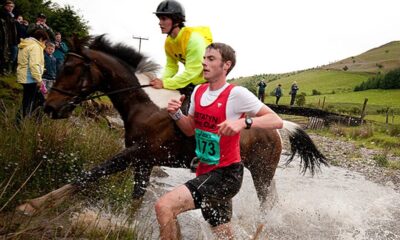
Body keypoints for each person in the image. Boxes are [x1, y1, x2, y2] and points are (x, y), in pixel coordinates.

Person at [159, 42, 283, 239]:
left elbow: (276, 121)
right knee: (223, 235)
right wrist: (176, 115)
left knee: (164, 206)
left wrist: (243, 123)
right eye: (203, 59)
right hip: (205, 169)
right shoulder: (199, 91)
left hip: (226, 175)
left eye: (210, 59)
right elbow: (190, 129)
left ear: (226, 65)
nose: (204, 63)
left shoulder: (237, 94)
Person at [151, 0, 212, 112]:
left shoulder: (194, 40)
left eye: (164, 19)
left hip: (208, 83)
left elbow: (192, 72)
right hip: (191, 82)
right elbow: (171, 67)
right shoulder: (169, 42)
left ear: (176, 21)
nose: (160, 23)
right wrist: (160, 80)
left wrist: (165, 83)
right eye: (159, 19)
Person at [16, 29, 49, 122]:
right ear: (41, 38)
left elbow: (27, 62)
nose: (45, 44)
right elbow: (34, 64)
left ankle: (34, 120)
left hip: (25, 76)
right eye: (45, 41)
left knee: (37, 100)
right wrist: (39, 80)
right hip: (30, 78)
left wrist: (42, 70)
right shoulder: (35, 46)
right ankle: (19, 122)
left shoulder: (27, 44)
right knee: (28, 102)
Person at [0, 0, 18, 74]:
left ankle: (7, 69)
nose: (11, 8)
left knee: (12, 54)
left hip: (12, 39)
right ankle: (3, 70)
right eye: (9, 6)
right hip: (3, 38)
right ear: (5, 6)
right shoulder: (3, 13)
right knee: (3, 54)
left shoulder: (11, 15)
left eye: (12, 6)